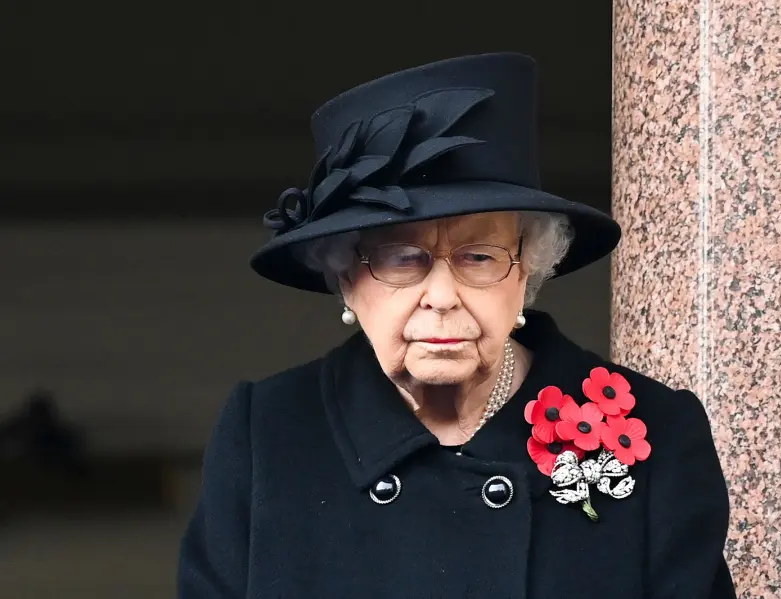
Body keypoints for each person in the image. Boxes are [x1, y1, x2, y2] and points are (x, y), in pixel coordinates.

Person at [177, 52, 736, 598]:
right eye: (400, 257)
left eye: (480, 256)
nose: (442, 297)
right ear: (347, 278)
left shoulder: (657, 431)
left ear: (528, 272)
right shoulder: (269, 435)